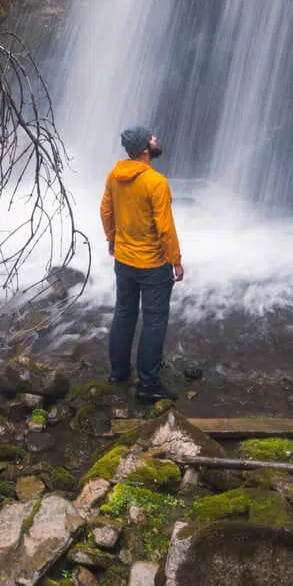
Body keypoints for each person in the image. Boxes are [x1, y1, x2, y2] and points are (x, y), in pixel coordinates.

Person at [100, 125, 182, 403]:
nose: (157, 139)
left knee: (124, 314)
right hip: (152, 264)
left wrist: (113, 240)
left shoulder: (115, 175)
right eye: (153, 137)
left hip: (123, 260)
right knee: (154, 322)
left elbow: (106, 211)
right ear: (146, 149)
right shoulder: (155, 182)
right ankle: (148, 384)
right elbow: (165, 228)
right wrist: (176, 261)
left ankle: (119, 373)